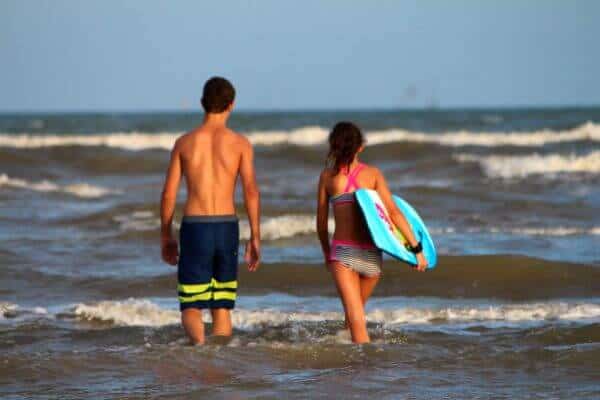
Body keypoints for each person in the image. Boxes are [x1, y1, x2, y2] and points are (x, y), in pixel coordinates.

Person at [160, 77, 261, 345]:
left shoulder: (184, 143)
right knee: (222, 304)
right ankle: (220, 363)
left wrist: (166, 236)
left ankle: (200, 346)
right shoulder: (240, 144)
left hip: (195, 226)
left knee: (191, 305)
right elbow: (251, 191)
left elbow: (169, 193)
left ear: (202, 103)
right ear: (231, 105)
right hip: (227, 227)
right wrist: (255, 237)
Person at [316, 121, 427, 344]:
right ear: (361, 147)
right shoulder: (373, 174)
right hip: (372, 257)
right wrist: (416, 249)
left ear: (334, 146)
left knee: (355, 321)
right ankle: (359, 370)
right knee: (356, 317)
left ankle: (359, 370)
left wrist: (327, 253)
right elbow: (394, 213)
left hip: (343, 254)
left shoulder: (328, 177)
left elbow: (320, 222)